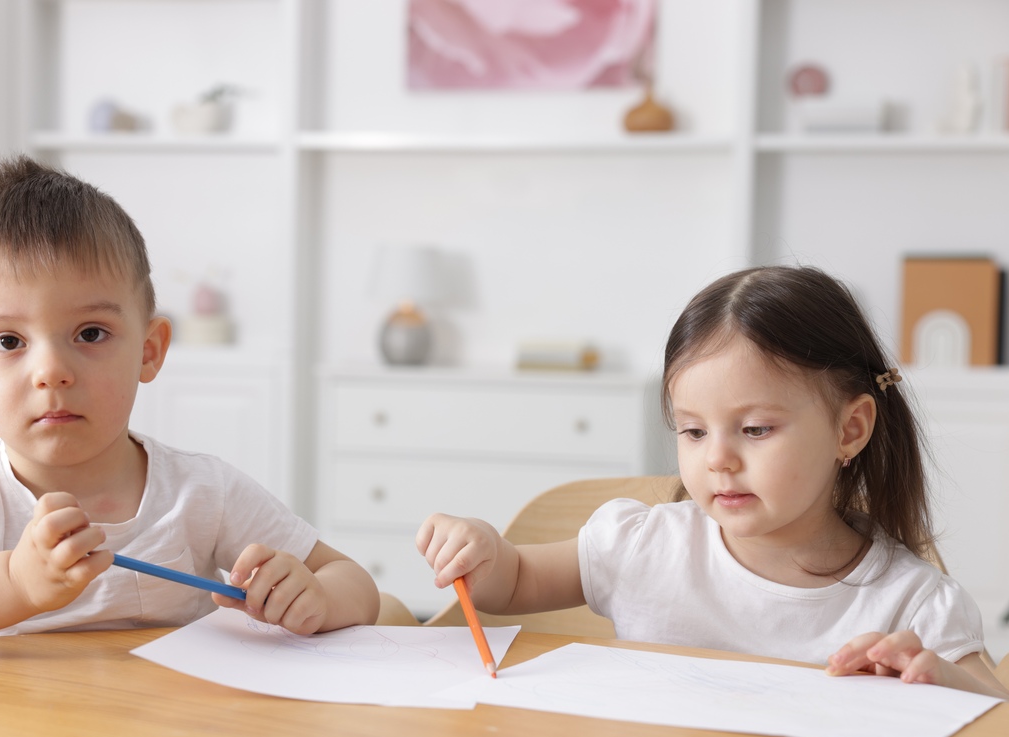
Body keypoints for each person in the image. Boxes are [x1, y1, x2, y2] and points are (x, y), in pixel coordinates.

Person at [0, 156, 379, 655]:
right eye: (9, 342)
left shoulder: (202, 494)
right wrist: (15, 583)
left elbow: (353, 582)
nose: (51, 371)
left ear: (149, 350)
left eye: (89, 333)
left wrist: (317, 600)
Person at [416, 265, 1007, 699]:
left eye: (754, 429)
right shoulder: (644, 546)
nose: (717, 459)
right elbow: (514, 582)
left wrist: (948, 686)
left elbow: (992, 725)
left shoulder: (914, 605)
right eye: (693, 432)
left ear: (849, 430)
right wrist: (483, 550)